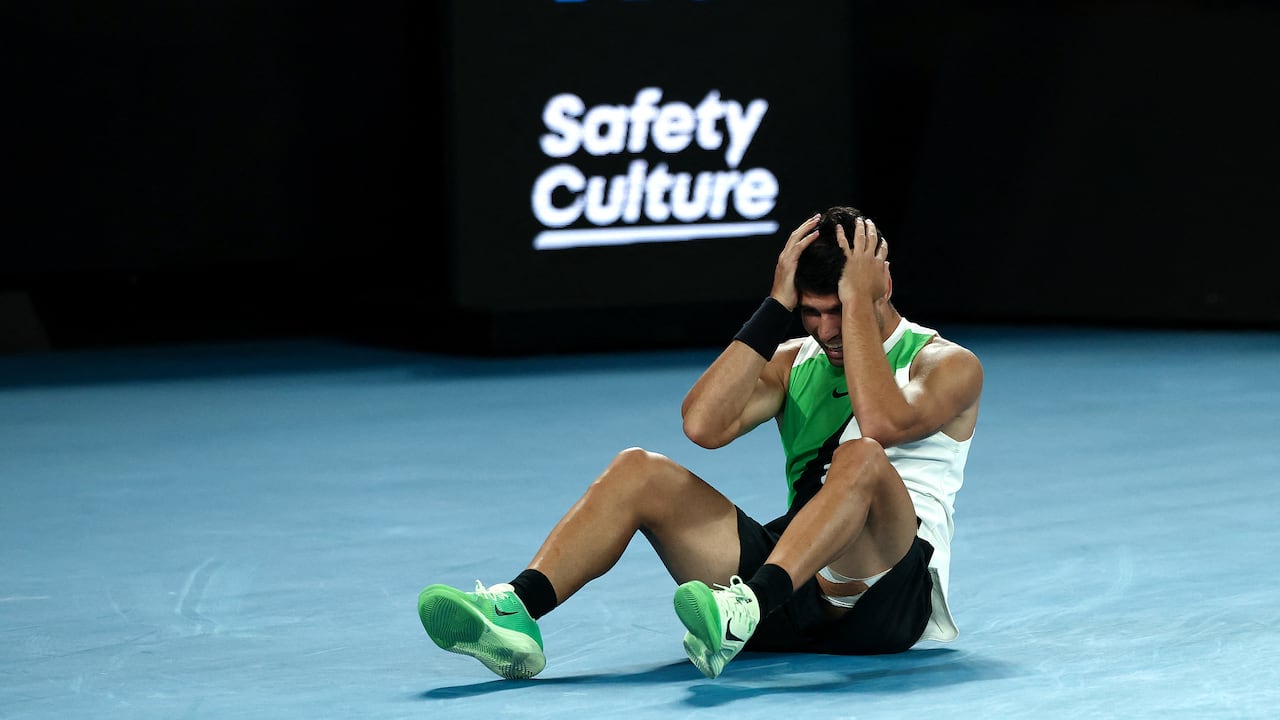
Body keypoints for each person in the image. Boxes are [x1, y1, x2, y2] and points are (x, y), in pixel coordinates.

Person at [417, 206, 984, 680]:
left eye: (840, 310)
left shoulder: (947, 364)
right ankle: (518, 611)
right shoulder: (795, 362)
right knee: (638, 470)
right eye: (811, 313)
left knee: (860, 455)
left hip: (883, 598)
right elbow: (702, 426)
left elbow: (881, 422)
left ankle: (746, 606)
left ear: (882, 286)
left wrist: (858, 304)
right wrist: (774, 308)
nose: (827, 330)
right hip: (793, 582)